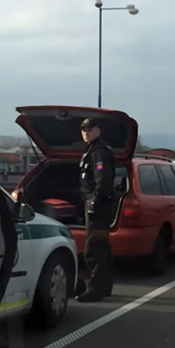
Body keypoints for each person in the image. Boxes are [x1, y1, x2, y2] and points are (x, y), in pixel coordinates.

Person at [77, 117, 116, 303]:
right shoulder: (92, 150)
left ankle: (95, 290)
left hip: (98, 205)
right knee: (102, 247)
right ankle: (105, 286)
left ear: (98, 130)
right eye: (84, 129)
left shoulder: (99, 152)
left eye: (90, 129)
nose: (86, 132)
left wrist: (95, 202)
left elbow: (103, 181)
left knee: (94, 249)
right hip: (95, 203)